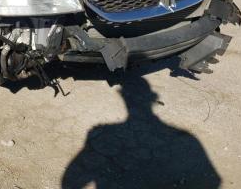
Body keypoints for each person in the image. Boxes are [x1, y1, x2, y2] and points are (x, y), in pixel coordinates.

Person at [62, 77, 221, 188]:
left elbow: (70, 181)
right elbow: (214, 181)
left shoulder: (101, 131)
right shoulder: (190, 140)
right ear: (153, 99)